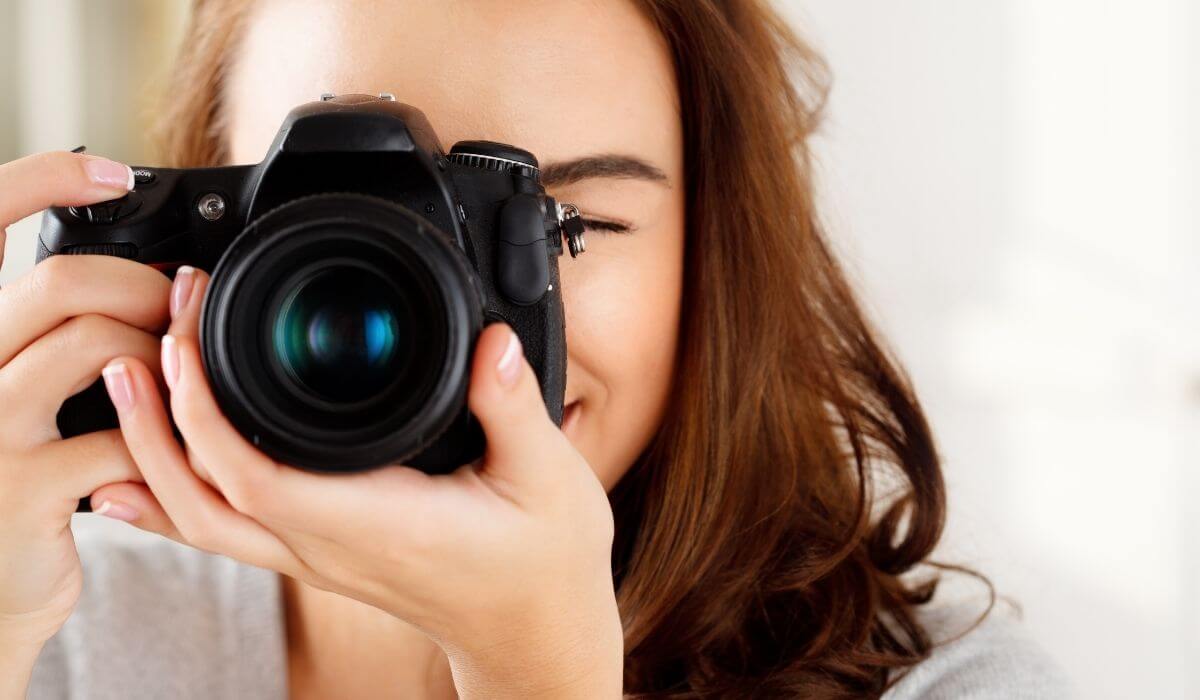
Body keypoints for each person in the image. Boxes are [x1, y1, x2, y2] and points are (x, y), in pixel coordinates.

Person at [0, 0, 1071, 697]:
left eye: (571, 225)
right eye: (340, 216)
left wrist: (538, 673)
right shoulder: (60, 626)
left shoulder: (943, 686)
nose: (457, 316)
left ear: (716, 259)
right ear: (205, 235)